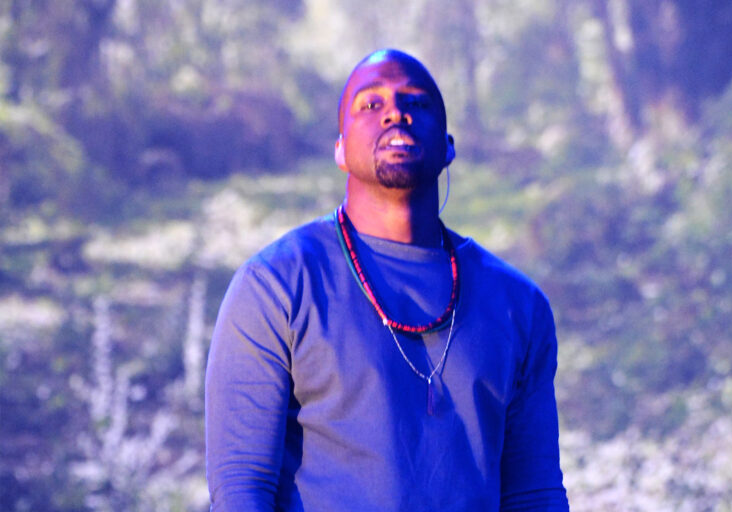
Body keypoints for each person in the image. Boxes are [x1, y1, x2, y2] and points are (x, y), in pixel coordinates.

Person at [205, 48, 569, 511]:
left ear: (448, 146)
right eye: (371, 104)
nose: (396, 112)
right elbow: (240, 488)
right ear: (340, 149)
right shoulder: (276, 285)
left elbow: (534, 493)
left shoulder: (517, 303)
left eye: (416, 102)